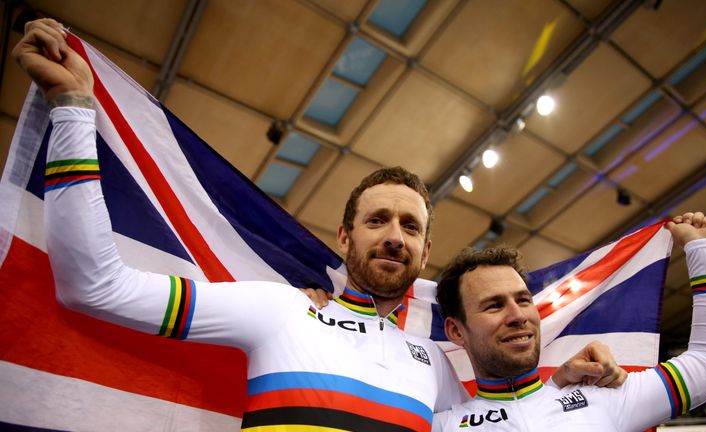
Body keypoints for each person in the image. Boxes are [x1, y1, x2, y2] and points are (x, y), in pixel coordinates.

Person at [12, 18, 625, 431]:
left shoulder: (434, 367)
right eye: (377, 219)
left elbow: (495, 425)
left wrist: (555, 383)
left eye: (410, 227)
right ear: (344, 237)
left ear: (425, 250)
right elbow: (93, 285)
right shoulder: (280, 311)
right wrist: (72, 110)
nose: (394, 235)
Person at [432, 212, 706, 431]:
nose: (518, 316)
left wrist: (702, 248)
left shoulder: (605, 399)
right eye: (494, 306)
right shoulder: (441, 425)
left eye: (524, 300)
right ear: (456, 331)